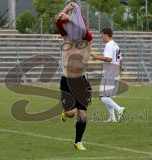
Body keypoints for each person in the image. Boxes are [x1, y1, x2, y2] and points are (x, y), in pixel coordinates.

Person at [56, 2, 92, 150]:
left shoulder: (87, 38)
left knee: (82, 114)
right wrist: (66, 10)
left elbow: (83, 29)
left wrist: (71, 18)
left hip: (81, 80)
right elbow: (59, 21)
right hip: (66, 80)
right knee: (71, 113)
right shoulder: (66, 37)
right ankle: (66, 112)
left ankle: (78, 142)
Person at [91, 28, 125, 122]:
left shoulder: (109, 45)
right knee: (107, 96)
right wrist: (121, 69)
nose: (101, 37)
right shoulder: (115, 44)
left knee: (103, 97)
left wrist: (96, 57)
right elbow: (120, 59)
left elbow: (109, 59)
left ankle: (119, 109)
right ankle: (112, 118)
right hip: (115, 71)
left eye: (101, 35)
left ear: (106, 35)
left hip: (110, 72)